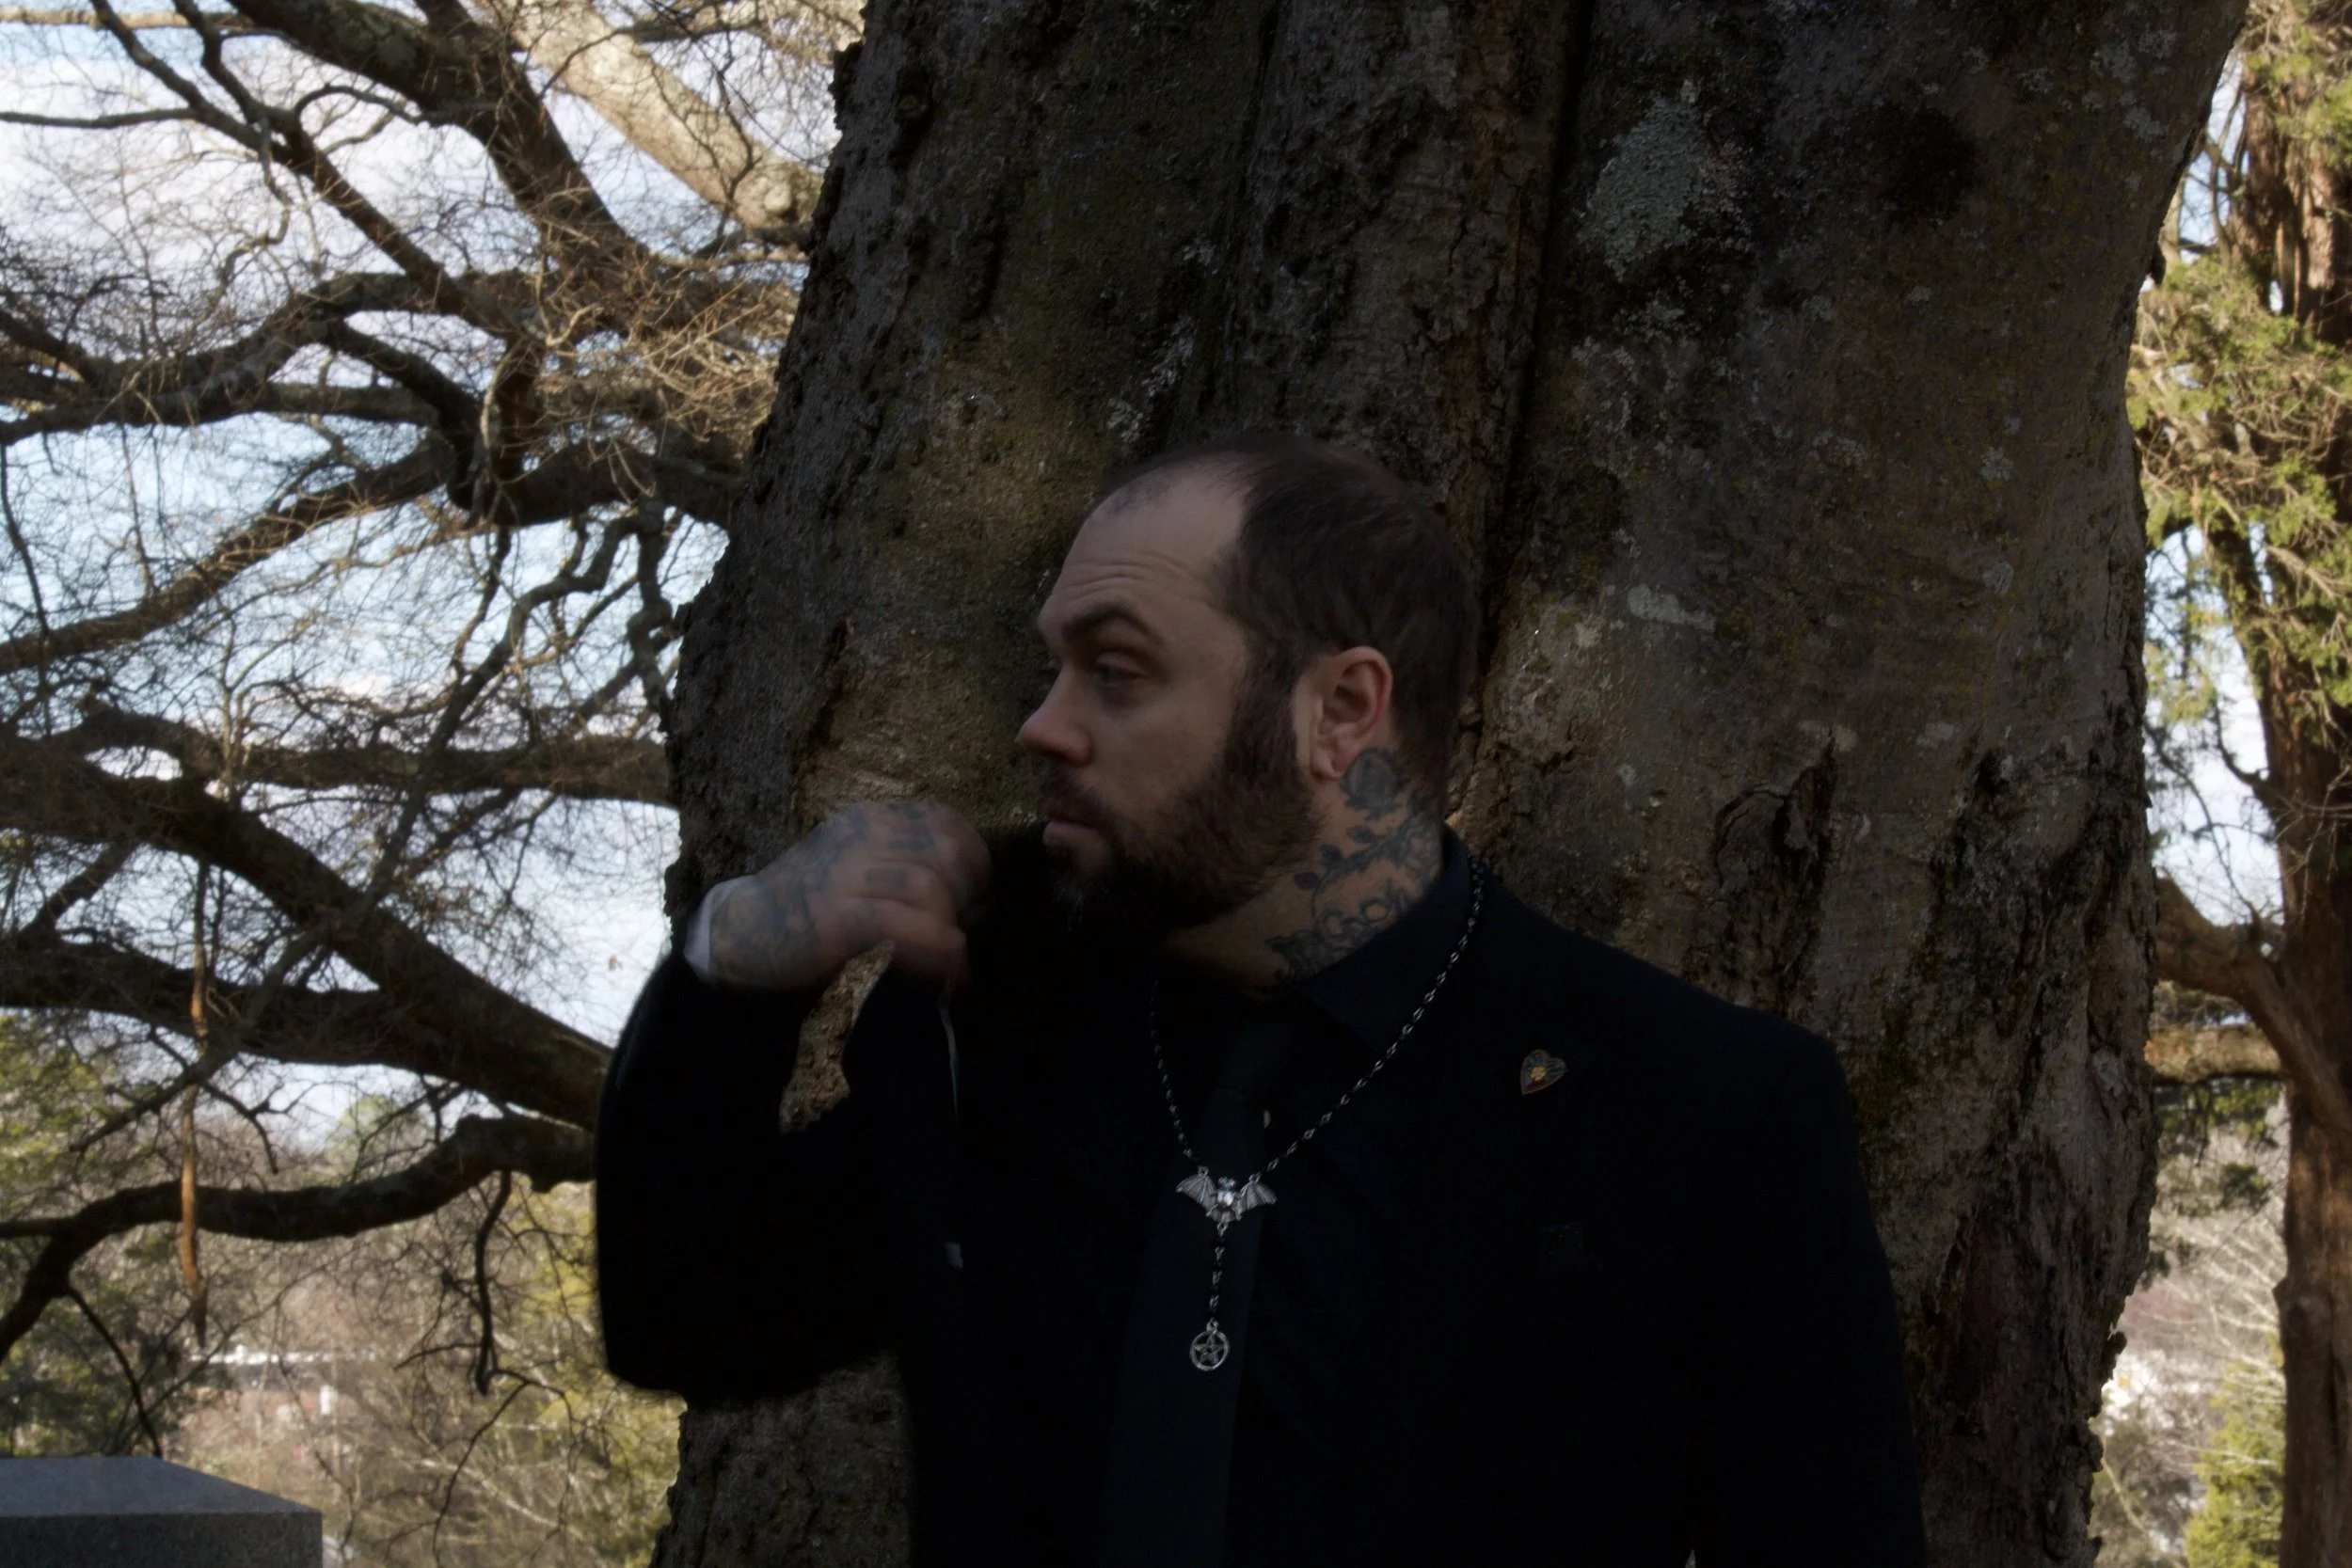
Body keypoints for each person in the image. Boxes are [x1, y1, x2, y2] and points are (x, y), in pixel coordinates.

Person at [595, 435, 1927, 1567]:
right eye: (1052, 670)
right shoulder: (986, 1020)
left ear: (1340, 710)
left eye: (1113, 672)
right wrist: (730, 964)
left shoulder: (1694, 1110)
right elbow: (687, 1316)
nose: (1042, 728)